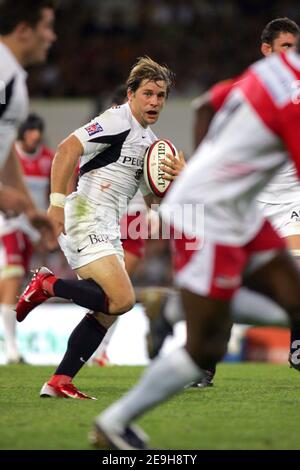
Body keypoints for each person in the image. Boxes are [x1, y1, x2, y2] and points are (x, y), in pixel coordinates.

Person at [91, 43, 300, 450]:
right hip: (213, 215)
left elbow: (207, 104)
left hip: (239, 209)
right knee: (206, 344)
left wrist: (209, 163)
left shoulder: (274, 69)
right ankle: (115, 422)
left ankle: (174, 306)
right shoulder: (293, 103)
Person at [146, 18, 300, 385]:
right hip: (241, 203)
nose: (291, 54)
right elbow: (202, 107)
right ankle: (199, 355)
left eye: (295, 47)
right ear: (267, 50)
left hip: (288, 202)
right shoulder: (254, 85)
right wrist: (203, 166)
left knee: (293, 274)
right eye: (285, 47)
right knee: (225, 286)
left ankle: (296, 347)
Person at [15, 56, 176, 399]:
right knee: (122, 300)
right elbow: (66, 149)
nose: (154, 102)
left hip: (107, 227)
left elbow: (153, 204)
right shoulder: (116, 120)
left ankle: (60, 381)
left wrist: (174, 181)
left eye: (161, 96)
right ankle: (48, 283)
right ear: (130, 94)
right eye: (148, 93)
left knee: (107, 310)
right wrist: (56, 203)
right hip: (85, 215)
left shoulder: (150, 143)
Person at [0, 0, 56, 240]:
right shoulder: (3, 74)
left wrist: (31, 209)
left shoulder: (13, 78)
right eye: (46, 27)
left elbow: (4, 146)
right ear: (23, 31)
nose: (52, 37)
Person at [0, 113, 53, 364]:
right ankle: (11, 349)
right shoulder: (10, 154)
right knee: (12, 276)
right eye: (31, 130)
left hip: (31, 228)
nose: (35, 135)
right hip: (9, 224)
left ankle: (12, 345)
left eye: (38, 130)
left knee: (17, 279)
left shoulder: (47, 159)